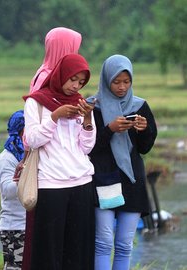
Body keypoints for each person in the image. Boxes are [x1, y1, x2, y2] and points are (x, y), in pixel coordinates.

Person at [23, 53, 96, 270]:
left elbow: (86, 147)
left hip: (82, 182)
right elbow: (33, 140)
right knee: (50, 250)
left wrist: (88, 119)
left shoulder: (80, 103)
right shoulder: (37, 102)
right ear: (61, 74)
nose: (76, 86)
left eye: (81, 82)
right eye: (73, 79)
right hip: (51, 184)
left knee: (79, 249)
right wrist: (55, 117)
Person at [89, 55, 158, 270]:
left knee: (124, 244)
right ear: (106, 80)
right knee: (103, 242)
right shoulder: (92, 106)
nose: (121, 87)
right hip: (103, 180)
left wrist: (144, 129)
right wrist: (109, 130)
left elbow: (145, 148)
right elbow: (88, 147)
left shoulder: (139, 106)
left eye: (126, 82)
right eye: (116, 82)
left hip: (132, 180)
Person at [0, 110, 26, 270]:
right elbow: (8, 190)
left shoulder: (32, 154)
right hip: (15, 227)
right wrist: (27, 177)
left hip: (30, 224)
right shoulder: (7, 158)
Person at [29, 27, 82, 94]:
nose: (77, 55)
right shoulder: (46, 80)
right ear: (65, 50)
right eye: (75, 50)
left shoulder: (55, 75)